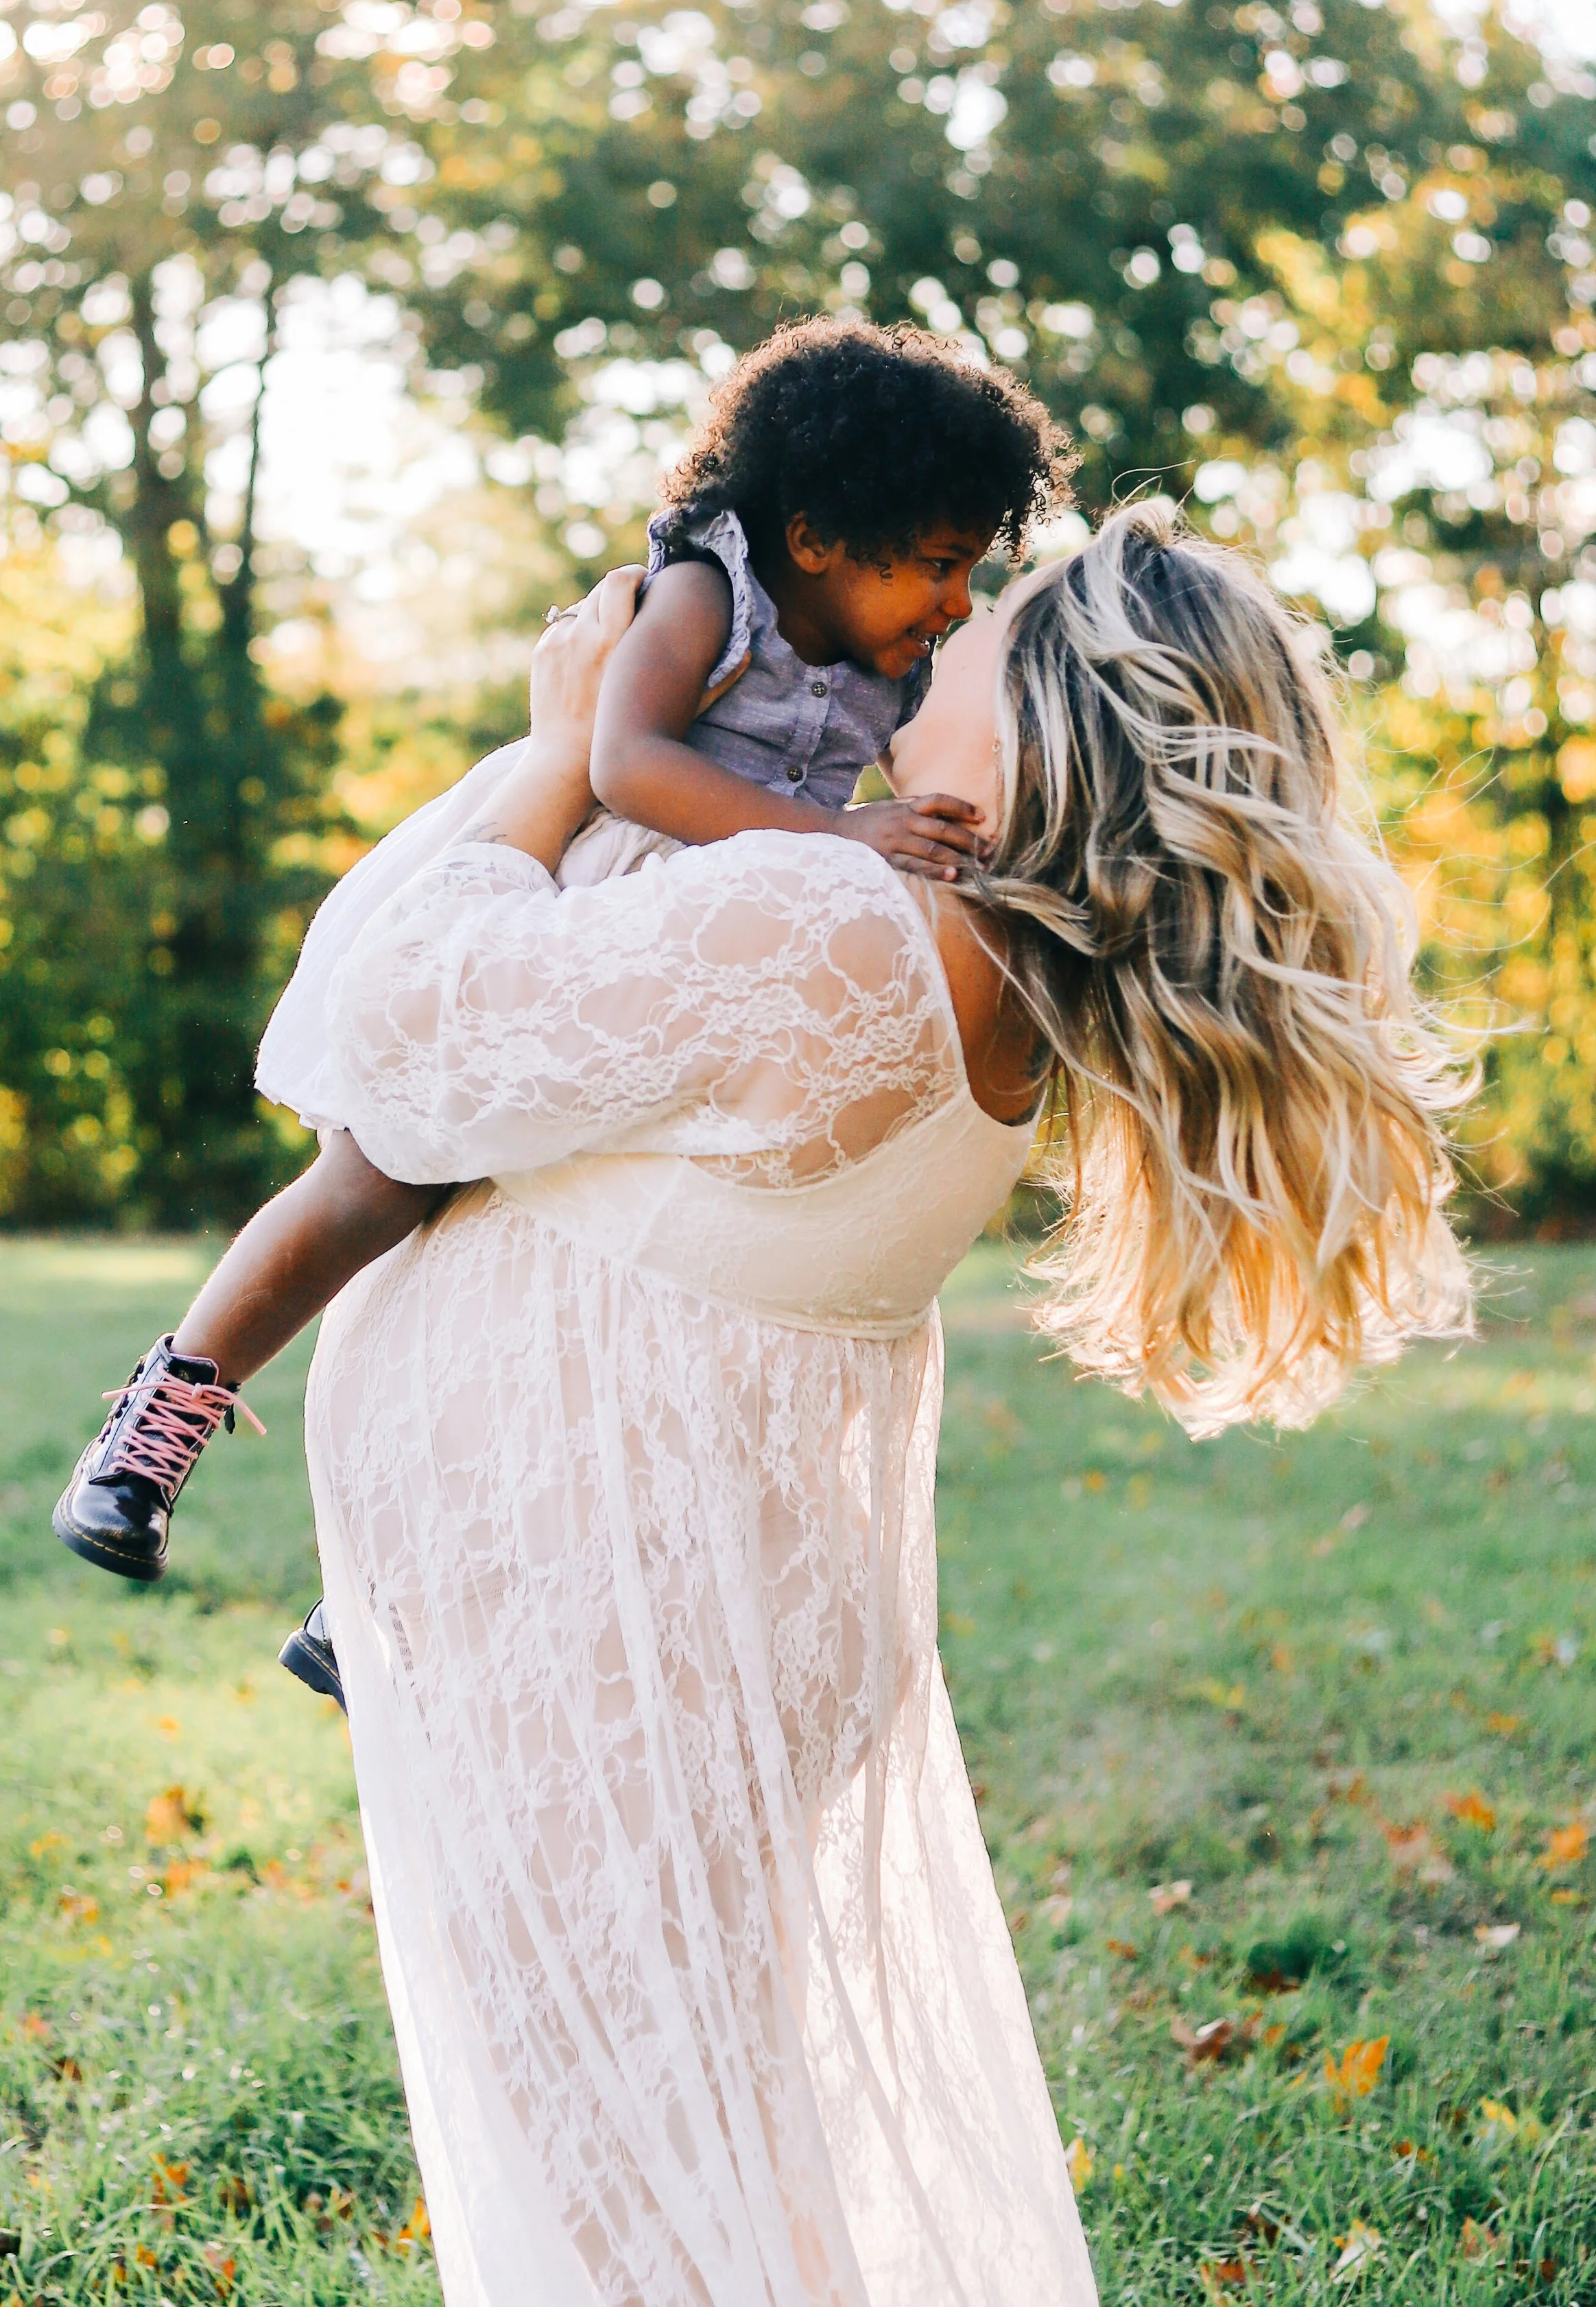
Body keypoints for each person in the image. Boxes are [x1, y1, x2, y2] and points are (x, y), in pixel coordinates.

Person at [270, 500, 1463, 2302]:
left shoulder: (834, 916)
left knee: (617, 2180)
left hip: (616, 1626)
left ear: (1048, 703)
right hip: (695, 1613)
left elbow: (392, 1038)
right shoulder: (984, 959)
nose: (936, 630)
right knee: (707, 2140)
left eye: (988, 622)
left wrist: (544, 752)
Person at [51, 322, 1071, 1677]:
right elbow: (629, 761)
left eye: (970, 571)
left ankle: (374, 1593)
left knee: (565, 1261)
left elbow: (882, 810)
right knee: (381, 1183)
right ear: (820, 533)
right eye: (937, 566)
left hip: (694, 946)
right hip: (572, 888)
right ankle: (166, 1409)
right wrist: (841, 846)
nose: (955, 602)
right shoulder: (708, 601)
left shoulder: (898, 666)